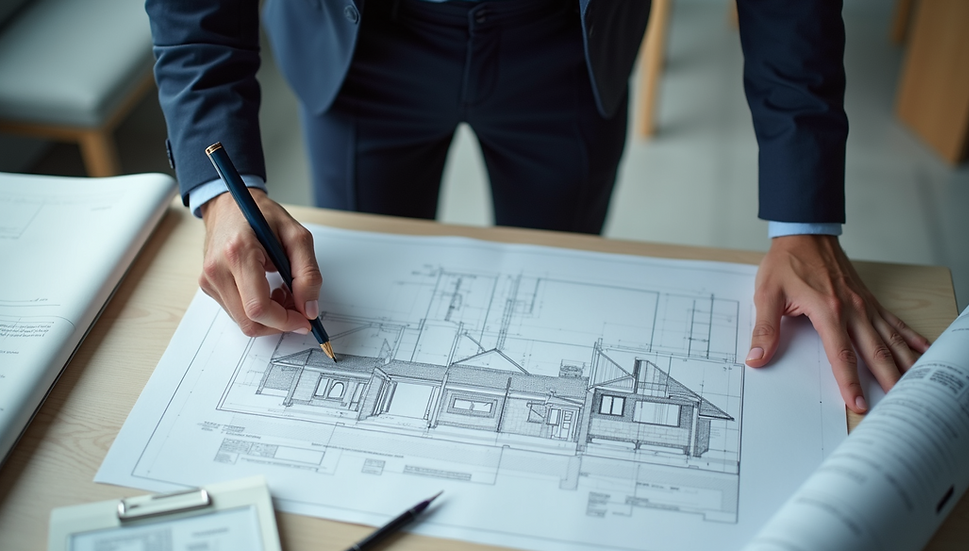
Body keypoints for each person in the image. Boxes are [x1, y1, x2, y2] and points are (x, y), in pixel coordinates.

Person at [145, 0, 929, 413]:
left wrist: (803, 215)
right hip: (355, 45)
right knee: (344, 296)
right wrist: (222, 184)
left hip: (569, 42)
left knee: (561, 306)